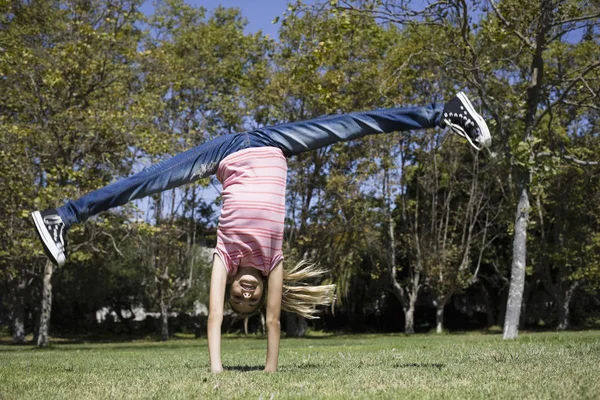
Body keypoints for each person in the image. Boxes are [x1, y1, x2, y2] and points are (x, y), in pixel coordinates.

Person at [31, 91, 491, 372]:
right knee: (353, 127)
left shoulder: (224, 256)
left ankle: (63, 216)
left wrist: (216, 370)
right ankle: (444, 113)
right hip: (274, 144)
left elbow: (214, 319)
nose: (248, 296)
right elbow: (273, 321)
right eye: (251, 299)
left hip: (226, 151)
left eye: (239, 297)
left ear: (231, 284)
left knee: (150, 180)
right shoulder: (272, 261)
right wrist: (270, 372)